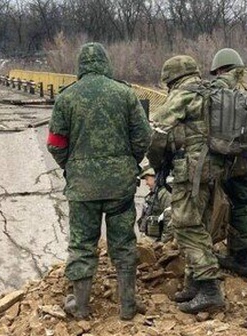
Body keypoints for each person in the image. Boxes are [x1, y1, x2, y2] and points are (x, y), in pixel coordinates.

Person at [47, 42, 152, 320]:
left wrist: (71, 167)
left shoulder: (67, 98)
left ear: (80, 66)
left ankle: (80, 307)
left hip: (83, 188)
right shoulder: (125, 93)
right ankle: (128, 305)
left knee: (82, 245)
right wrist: (130, 163)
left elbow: (56, 143)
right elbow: (144, 135)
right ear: (106, 63)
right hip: (120, 185)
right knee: (124, 243)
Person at [148, 55, 226, 314]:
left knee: (184, 225)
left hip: (191, 171)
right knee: (199, 222)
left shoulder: (182, 95)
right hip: (215, 168)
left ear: (171, 78)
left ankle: (210, 287)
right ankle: (194, 284)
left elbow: (156, 129)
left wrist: (157, 164)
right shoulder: (213, 91)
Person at [209, 48, 247, 276]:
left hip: (239, 156)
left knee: (238, 204)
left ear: (220, 69)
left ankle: (240, 257)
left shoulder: (224, 83)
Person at [137, 166, 173, 243]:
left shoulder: (164, 194)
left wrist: (164, 242)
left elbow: (170, 218)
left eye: (147, 179)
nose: (146, 183)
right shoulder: (154, 194)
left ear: (155, 177)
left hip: (158, 240)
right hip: (151, 238)